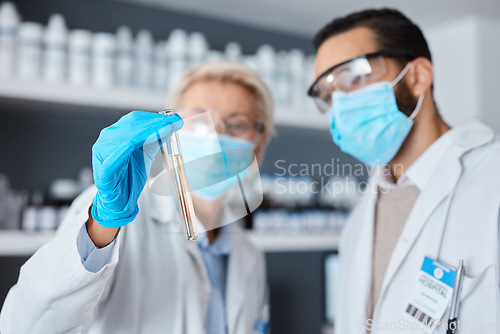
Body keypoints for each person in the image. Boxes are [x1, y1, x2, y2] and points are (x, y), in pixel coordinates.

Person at [0, 61, 275, 334]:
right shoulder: (119, 216)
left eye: (237, 125)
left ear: (258, 146)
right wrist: (103, 223)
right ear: (171, 132)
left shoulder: (249, 255)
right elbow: (26, 325)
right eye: (199, 120)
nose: (215, 136)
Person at [308, 8, 500, 334]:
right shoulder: (359, 221)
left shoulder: (491, 178)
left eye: (353, 78)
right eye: (328, 95)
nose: (339, 105)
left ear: (417, 77)